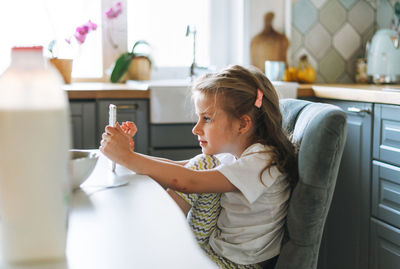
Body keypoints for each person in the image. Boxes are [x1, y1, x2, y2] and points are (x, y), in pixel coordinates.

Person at [100, 65, 298, 269]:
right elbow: (181, 169)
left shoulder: (263, 161)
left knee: (203, 165)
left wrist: (126, 157)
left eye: (207, 118)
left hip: (237, 265)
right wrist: (129, 156)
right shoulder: (238, 155)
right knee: (201, 164)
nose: (196, 128)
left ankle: (152, 238)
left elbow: (189, 181)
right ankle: (152, 238)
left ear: (242, 124)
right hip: (216, 248)